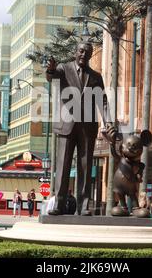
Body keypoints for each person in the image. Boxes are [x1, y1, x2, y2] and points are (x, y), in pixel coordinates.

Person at [46, 42, 111, 216]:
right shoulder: (63, 68)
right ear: (76, 52)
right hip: (66, 125)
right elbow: (52, 77)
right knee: (63, 166)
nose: (84, 54)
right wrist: (50, 70)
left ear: (90, 56)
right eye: (81, 51)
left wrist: (108, 121)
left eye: (87, 52)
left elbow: (102, 101)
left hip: (87, 128)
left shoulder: (96, 76)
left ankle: (83, 206)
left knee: (85, 167)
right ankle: (59, 204)